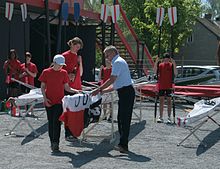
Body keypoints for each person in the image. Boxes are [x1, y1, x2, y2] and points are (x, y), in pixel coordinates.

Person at [91, 45, 135, 153]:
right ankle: (122, 144)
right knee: (121, 118)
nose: (107, 58)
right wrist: (101, 91)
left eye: (107, 55)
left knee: (124, 119)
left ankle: (123, 145)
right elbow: (115, 85)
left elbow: (112, 79)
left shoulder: (117, 62)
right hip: (124, 92)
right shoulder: (119, 62)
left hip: (126, 92)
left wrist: (99, 89)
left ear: (113, 53)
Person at [38, 54, 79, 153]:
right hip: (49, 101)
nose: (61, 66)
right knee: (51, 122)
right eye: (59, 64)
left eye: (62, 65)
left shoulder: (64, 73)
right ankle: (52, 142)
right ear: (54, 63)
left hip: (60, 101)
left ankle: (56, 143)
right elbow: (42, 87)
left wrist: (76, 91)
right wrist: (45, 99)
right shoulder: (46, 72)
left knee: (56, 121)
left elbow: (67, 88)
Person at [61, 37, 84, 141]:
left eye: (79, 47)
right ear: (71, 44)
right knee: (69, 111)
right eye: (76, 46)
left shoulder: (78, 57)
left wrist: (80, 62)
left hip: (77, 86)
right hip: (68, 87)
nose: (77, 49)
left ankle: (74, 133)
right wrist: (67, 75)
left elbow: (81, 73)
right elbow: (59, 71)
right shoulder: (64, 56)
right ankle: (68, 134)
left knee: (76, 112)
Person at [153, 53, 177, 123]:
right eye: (165, 59)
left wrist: (174, 63)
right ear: (163, 59)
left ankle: (169, 117)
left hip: (169, 86)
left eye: (167, 59)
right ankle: (160, 117)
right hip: (161, 86)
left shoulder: (171, 65)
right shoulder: (160, 65)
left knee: (169, 102)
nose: (166, 60)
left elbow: (175, 73)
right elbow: (154, 71)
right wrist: (156, 62)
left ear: (169, 59)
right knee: (161, 101)